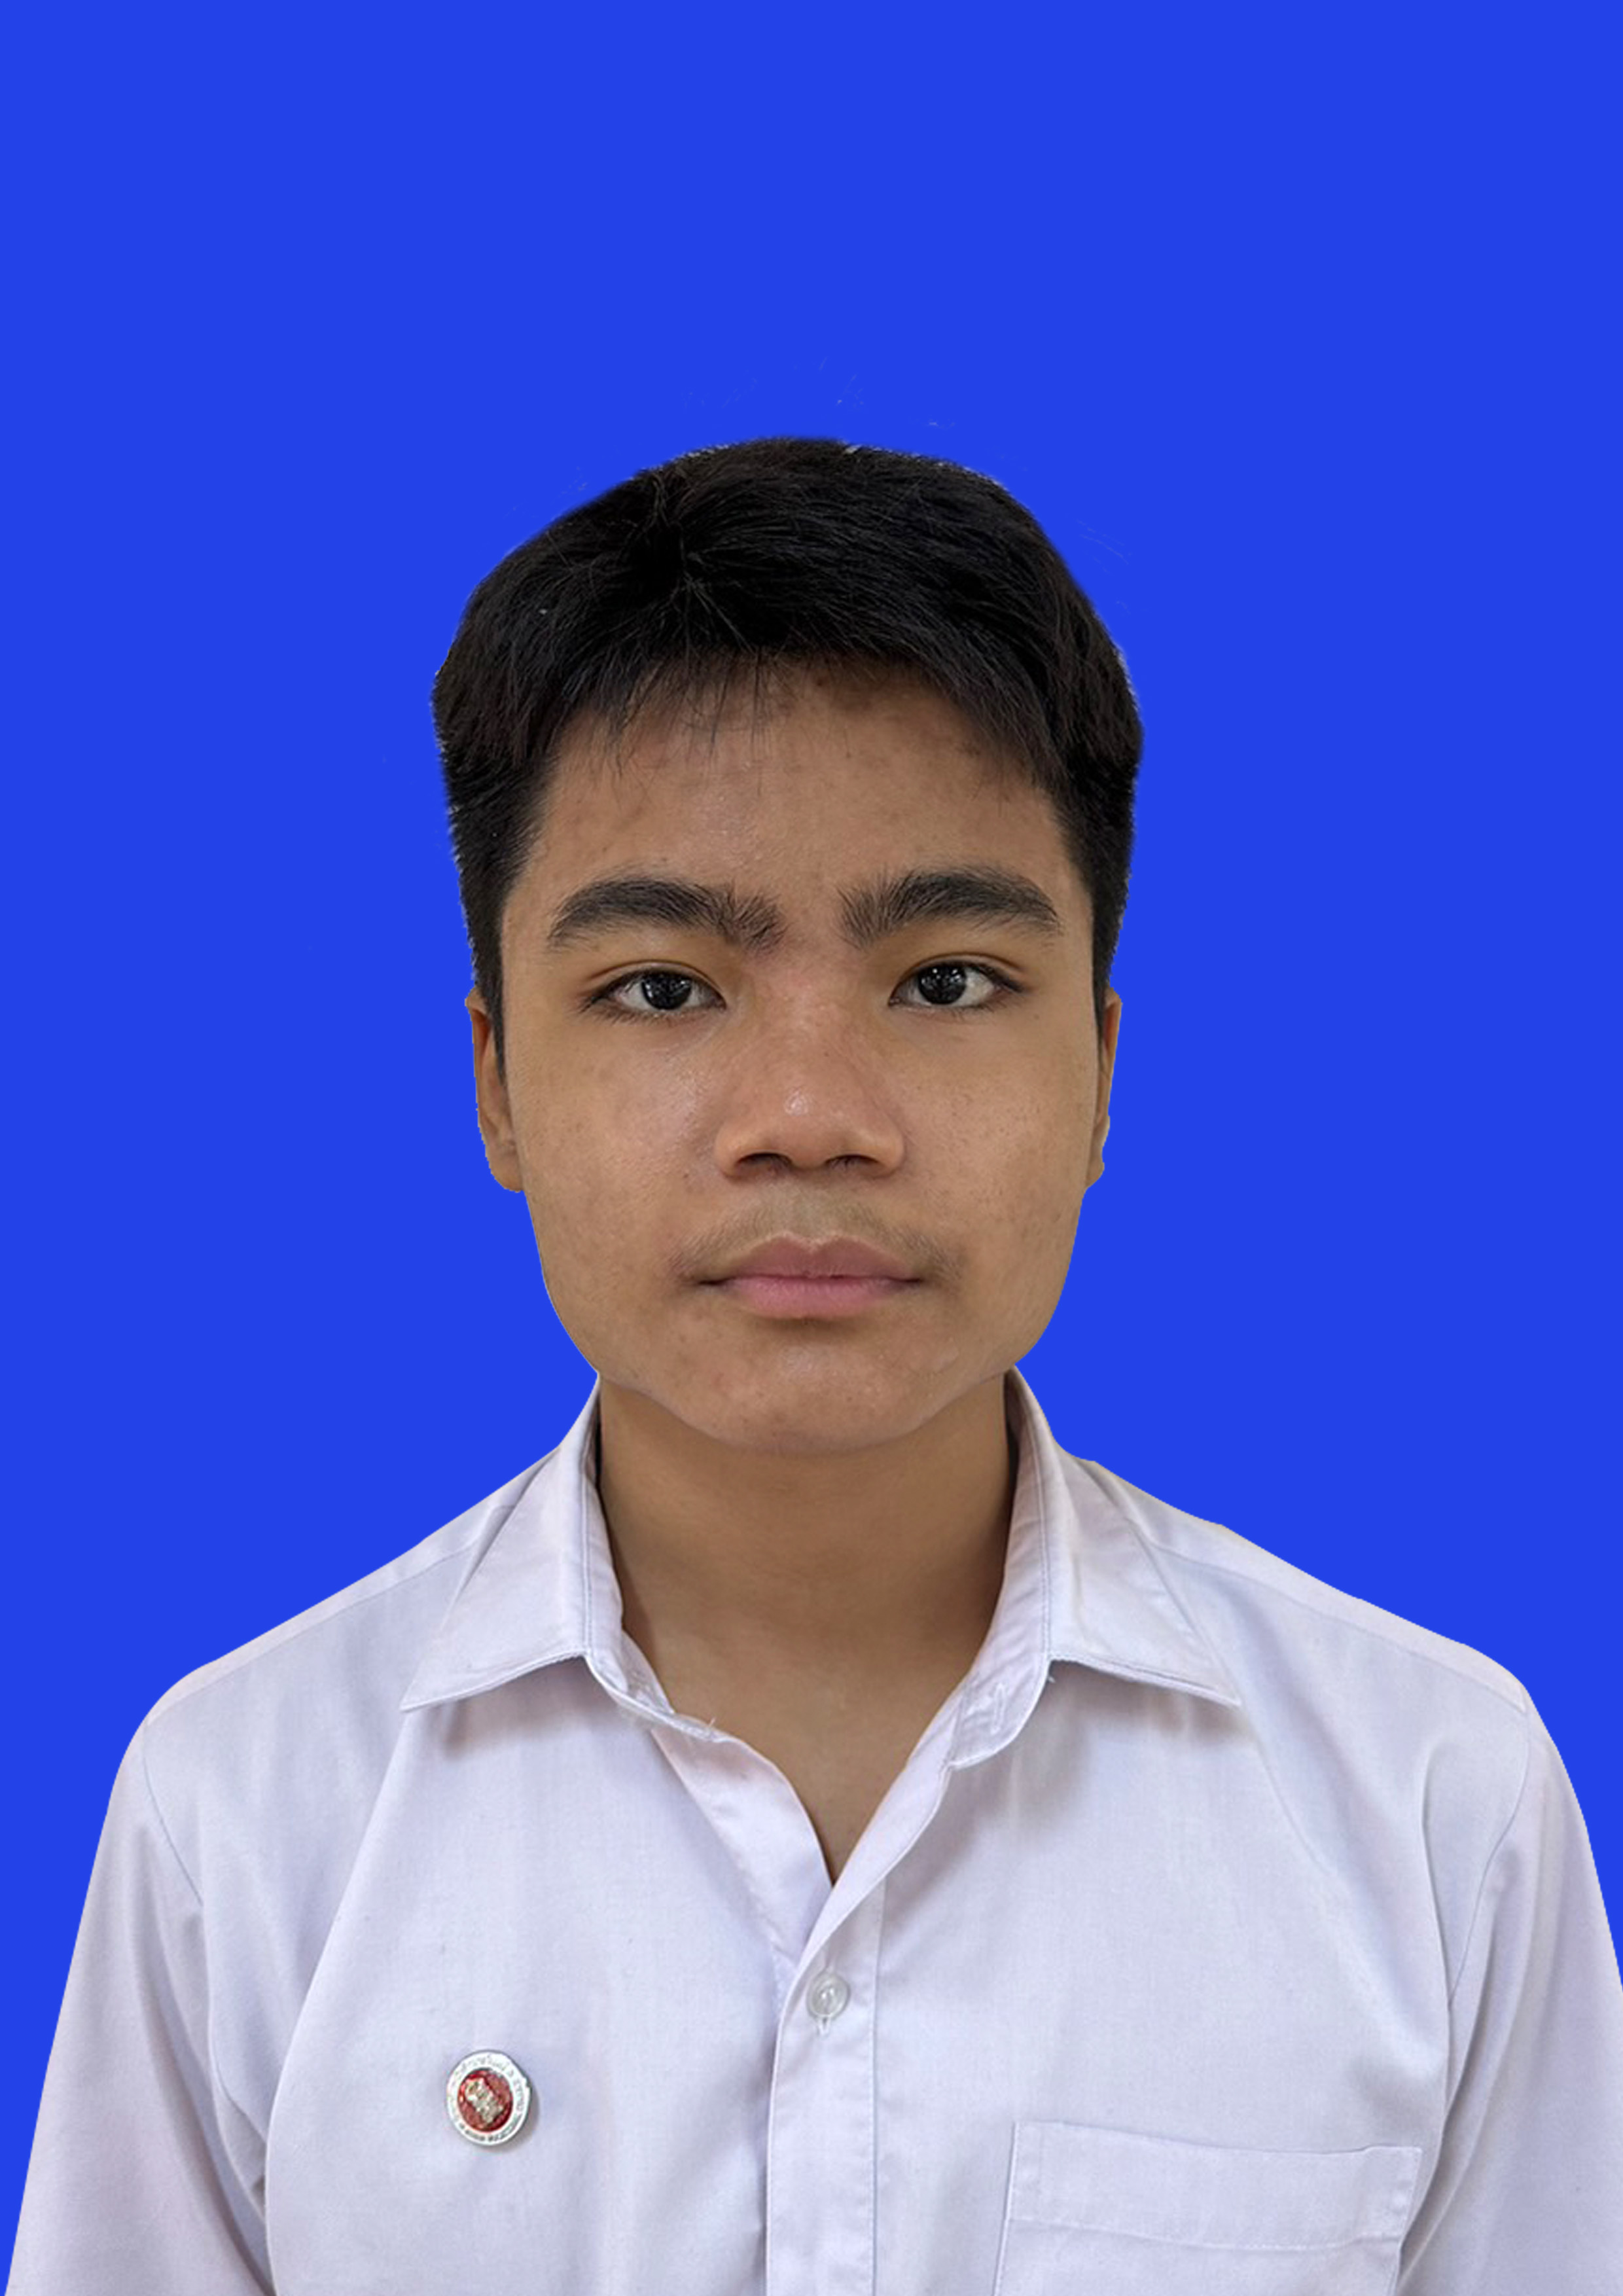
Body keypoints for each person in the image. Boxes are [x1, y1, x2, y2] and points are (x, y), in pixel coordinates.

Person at [9, 437, 1620, 2295]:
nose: (808, 1115)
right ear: (496, 1082)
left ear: (1101, 1069)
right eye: (664, 987)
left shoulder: (1433, 1803)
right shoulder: (244, 1811)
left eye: (945, 980)